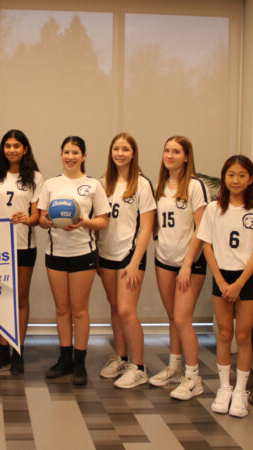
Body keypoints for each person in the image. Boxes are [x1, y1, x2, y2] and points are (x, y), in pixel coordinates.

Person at [198, 155, 253, 418]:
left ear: (251, 179)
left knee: (243, 335)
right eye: (231, 174)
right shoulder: (213, 209)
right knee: (225, 332)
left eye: (242, 175)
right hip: (222, 276)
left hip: (247, 277)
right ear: (224, 177)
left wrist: (239, 283)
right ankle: (224, 388)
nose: (236, 180)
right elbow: (206, 245)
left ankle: (241, 391)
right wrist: (220, 280)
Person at [37, 136, 110, 386]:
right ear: (61, 154)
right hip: (55, 253)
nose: (70, 156)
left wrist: (84, 222)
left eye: (75, 152)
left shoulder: (93, 185)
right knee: (61, 309)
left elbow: (103, 220)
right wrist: (46, 221)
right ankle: (64, 359)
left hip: (83, 253)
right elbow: (41, 217)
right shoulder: (50, 184)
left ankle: (80, 363)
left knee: (79, 310)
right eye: (66, 152)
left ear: (84, 155)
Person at [151, 136, 209, 400]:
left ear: (187, 156)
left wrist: (188, 262)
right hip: (164, 259)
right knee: (172, 316)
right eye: (166, 150)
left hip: (190, 263)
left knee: (183, 318)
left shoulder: (196, 186)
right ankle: (174, 366)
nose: (169, 155)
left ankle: (193, 377)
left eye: (176, 151)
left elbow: (202, 228)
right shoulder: (160, 185)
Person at [97, 133, 155, 388]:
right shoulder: (102, 183)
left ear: (134, 153)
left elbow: (146, 227)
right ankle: (121, 357)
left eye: (125, 149)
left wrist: (135, 261)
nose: (120, 153)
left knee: (126, 310)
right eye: (116, 149)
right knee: (114, 307)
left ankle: (139, 366)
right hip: (105, 253)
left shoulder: (141, 184)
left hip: (129, 255)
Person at [0, 129, 43, 375]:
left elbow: (37, 216)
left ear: (25, 149)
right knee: (1, 299)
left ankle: (17, 349)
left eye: (17, 146)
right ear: (3, 148)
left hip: (24, 245)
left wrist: (27, 219)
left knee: (20, 298)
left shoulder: (36, 177)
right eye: (8, 145)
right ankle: (2, 349)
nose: (12, 150)